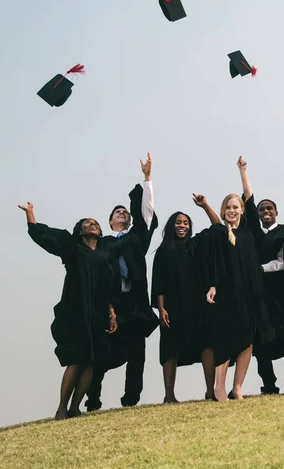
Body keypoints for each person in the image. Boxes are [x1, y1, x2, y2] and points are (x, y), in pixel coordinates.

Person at [18, 202, 118, 420]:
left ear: (100, 232)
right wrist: (31, 215)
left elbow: (108, 287)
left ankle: (75, 407)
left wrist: (112, 312)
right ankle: (61, 408)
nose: (92, 225)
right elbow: (44, 237)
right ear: (80, 230)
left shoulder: (105, 256)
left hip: (98, 312)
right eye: (87, 223)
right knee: (76, 358)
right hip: (76, 310)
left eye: (96, 224)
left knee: (91, 360)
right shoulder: (72, 248)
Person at [86, 153, 159, 411]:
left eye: (125, 212)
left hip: (135, 306)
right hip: (110, 305)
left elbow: (146, 215)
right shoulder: (101, 243)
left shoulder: (136, 239)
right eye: (117, 212)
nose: (122, 213)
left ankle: (131, 400)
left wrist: (147, 178)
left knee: (137, 354)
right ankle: (92, 399)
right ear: (109, 222)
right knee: (101, 355)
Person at [237, 157, 284, 395]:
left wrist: (261, 269)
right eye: (261, 209)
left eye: (269, 208)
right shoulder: (253, 234)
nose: (265, 211)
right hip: (260, 298)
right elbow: (247, 201)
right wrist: (243, 172)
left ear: (276, 212)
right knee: (262, 345)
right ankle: (268, 385)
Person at [204, 187, 274, 402]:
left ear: (242, 210)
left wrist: (243, 172)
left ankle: (238, 388)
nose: (232, 210)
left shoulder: (249, 234)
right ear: (223, 210)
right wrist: (212, 286)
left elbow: (252, 202)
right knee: (226, 338)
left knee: (247, 341)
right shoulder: (217, 232)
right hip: (227, 292)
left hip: (251, 292)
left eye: (236, 207)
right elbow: (213, 262)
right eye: (228, 207)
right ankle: (220, 389)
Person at [151, 194, 221, 403]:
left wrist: (205, 205)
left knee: (206, 344)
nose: (182, 226)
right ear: (172, 226)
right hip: (172, 306)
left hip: (198, 304)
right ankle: (169, 395)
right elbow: (158, 282)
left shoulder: (197, 243)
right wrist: (161, 309)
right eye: (178, 223)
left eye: (186, 223)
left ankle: (210, 391)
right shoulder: (163, 250)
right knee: (170, 348)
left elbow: (218, 228)